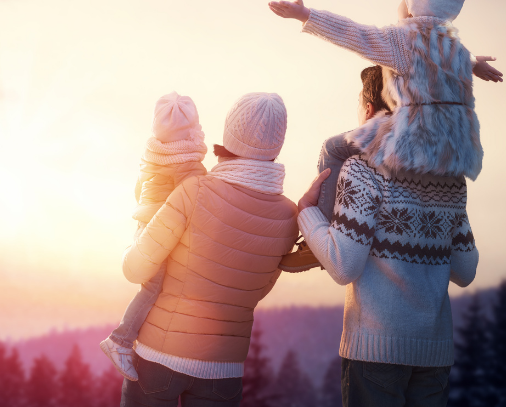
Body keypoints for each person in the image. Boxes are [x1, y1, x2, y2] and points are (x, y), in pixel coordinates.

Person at [271, 0, 498, 406]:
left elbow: (344, 268)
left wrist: (306, 15)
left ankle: (323, 217)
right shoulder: (452, 184)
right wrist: (475, 68)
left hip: (376, 353)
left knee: (336, 151)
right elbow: (466, 271)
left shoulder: (367, 169)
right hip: (434, 355)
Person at [120, 92, 299, 407]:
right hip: (224, 371)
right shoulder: (289, 216)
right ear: (277, 146)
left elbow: (135, 269)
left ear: (229, 134)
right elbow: (256, 289)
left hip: (157, 357)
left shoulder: (194, 191)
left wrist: (141, 224)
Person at [100, 92, 207, 381]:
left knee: (154, 285)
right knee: (155, 287)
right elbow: (198, 199)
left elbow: (139, 190)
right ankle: (120, 340)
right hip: (162, 232)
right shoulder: (187, 164)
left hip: (145, 226)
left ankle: (134, 337)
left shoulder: (154, 156)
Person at [279, 65, 389, 273]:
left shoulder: (358, 168)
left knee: (332, 147)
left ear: (368, 109)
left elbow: (344, 269)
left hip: (395, 129)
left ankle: (320, 238)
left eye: (357, 103)